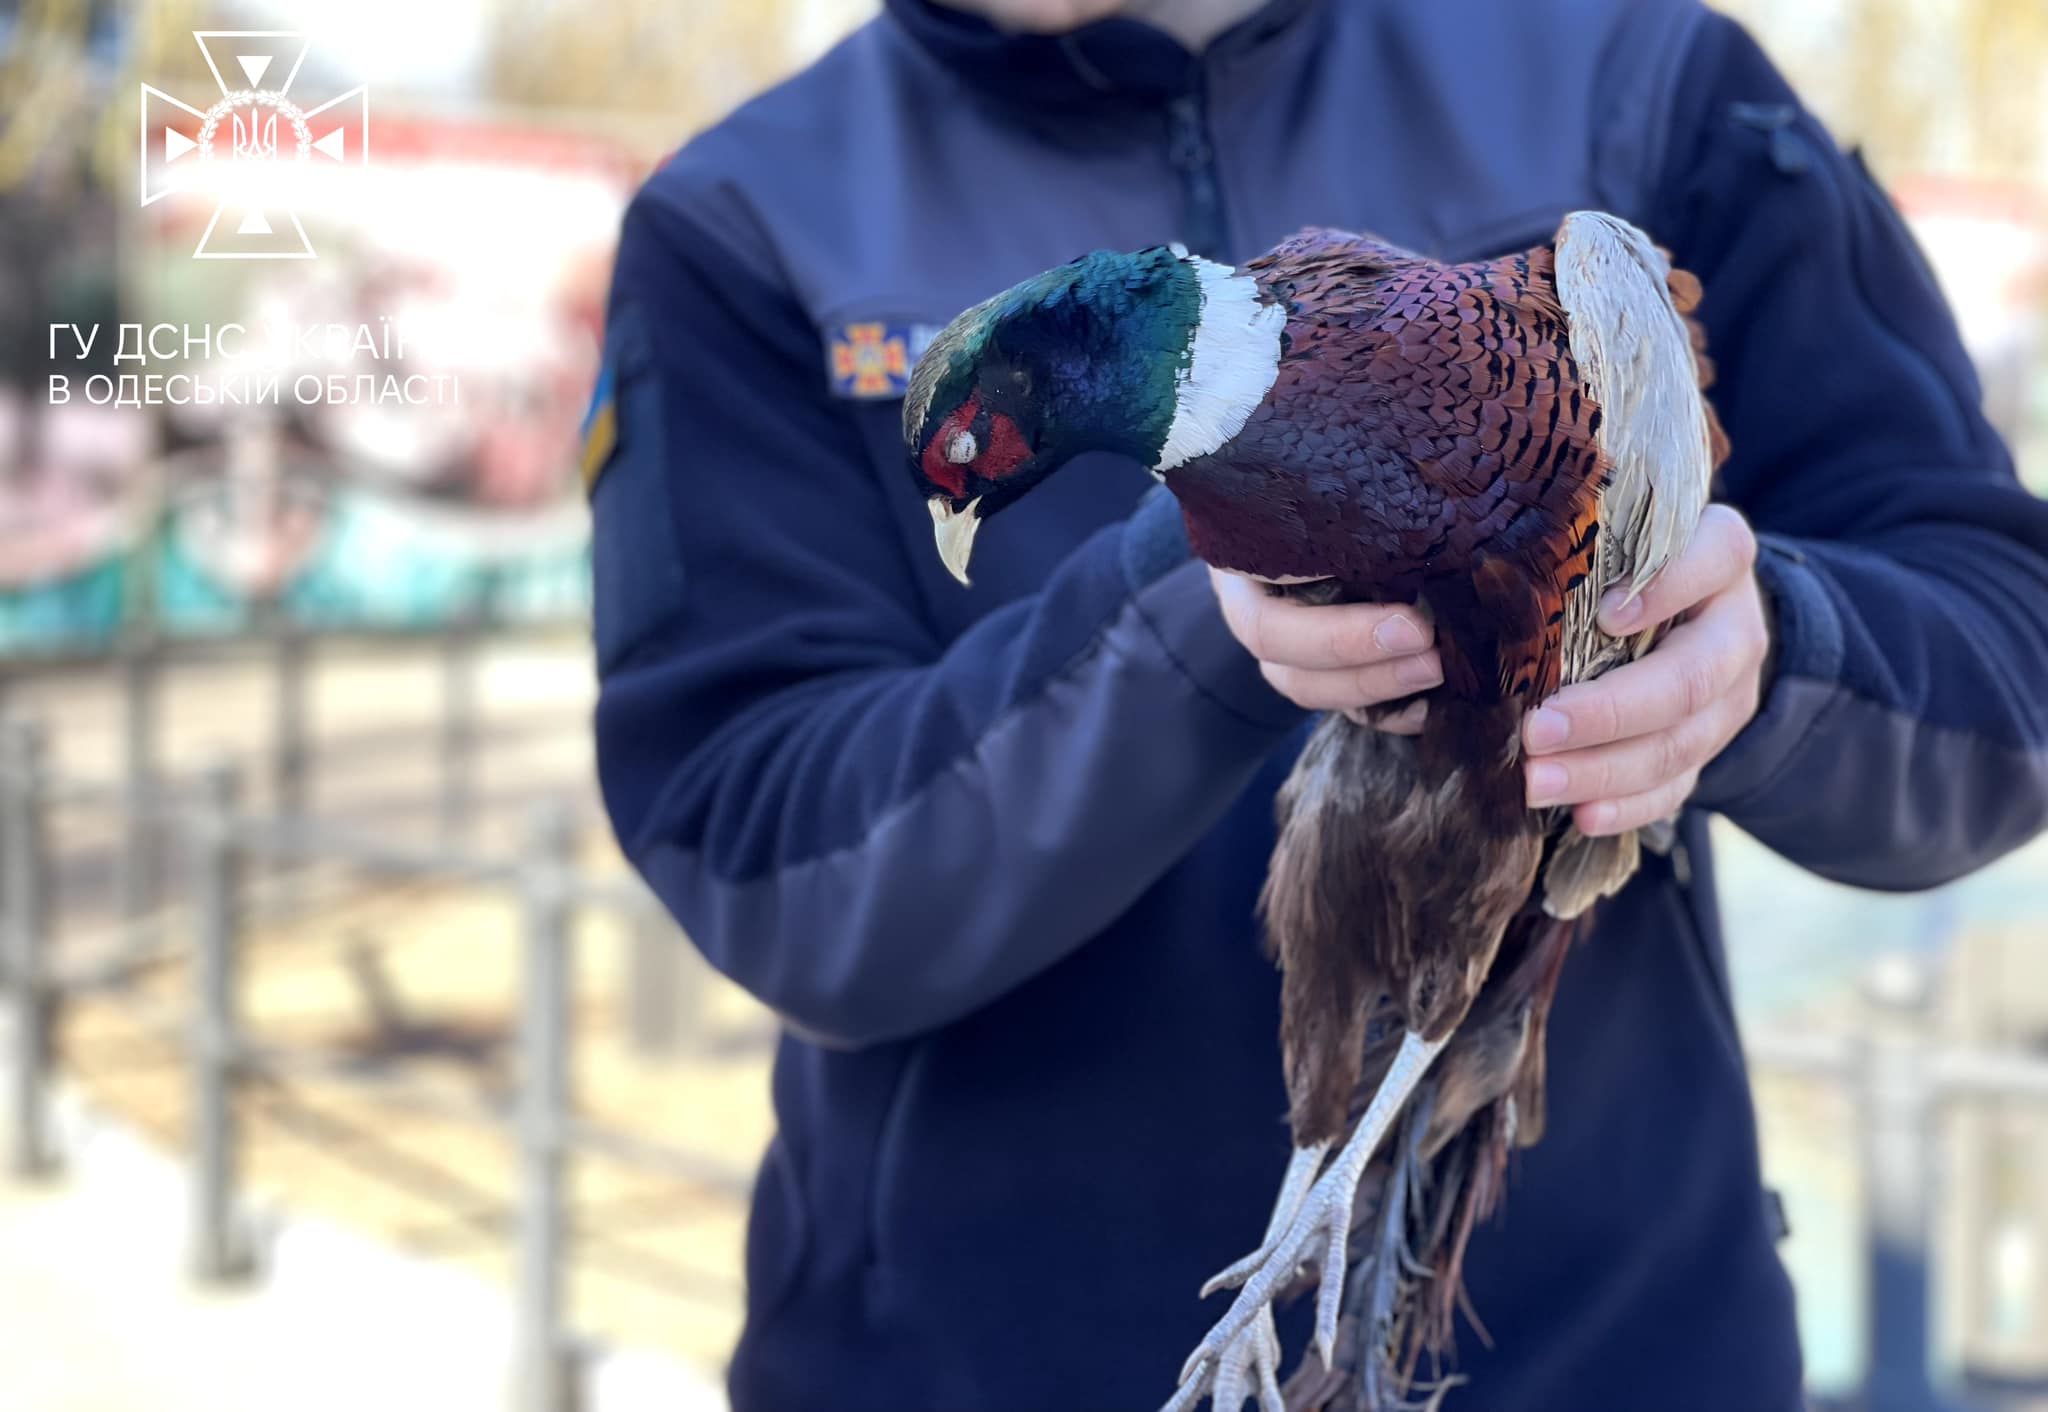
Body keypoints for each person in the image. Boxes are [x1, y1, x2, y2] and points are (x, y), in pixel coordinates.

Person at [587, 1, 2048, 1407]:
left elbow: (2006, 661)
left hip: (1608, 1358)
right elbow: (769, 859)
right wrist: (1216, 578)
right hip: (971, 1370)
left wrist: (1760, 657)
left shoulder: (1642, 77)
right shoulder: (746, 223)